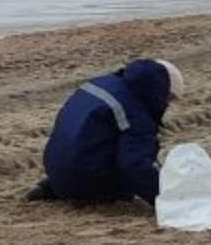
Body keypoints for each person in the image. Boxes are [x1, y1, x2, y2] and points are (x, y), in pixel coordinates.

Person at [25, 59, 184, 205]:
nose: (167, 105)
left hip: (54, 170)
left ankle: (57, 186)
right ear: (160, 91)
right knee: (133, 170)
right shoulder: (137, 113)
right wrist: (165, 198)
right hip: (84, 181)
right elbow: (136, 166)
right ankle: (81, 188)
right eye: (169, 99)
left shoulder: (99, 84)